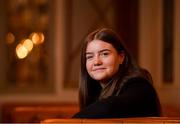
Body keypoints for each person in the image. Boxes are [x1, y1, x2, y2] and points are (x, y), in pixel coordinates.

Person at [72, 28, 161, 118]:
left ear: (121, 57)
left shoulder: (140, 86)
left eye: (105, 54)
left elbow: (109, 108)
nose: (96, 62)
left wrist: (72, 122)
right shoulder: (95, 91)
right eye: (90, 57)